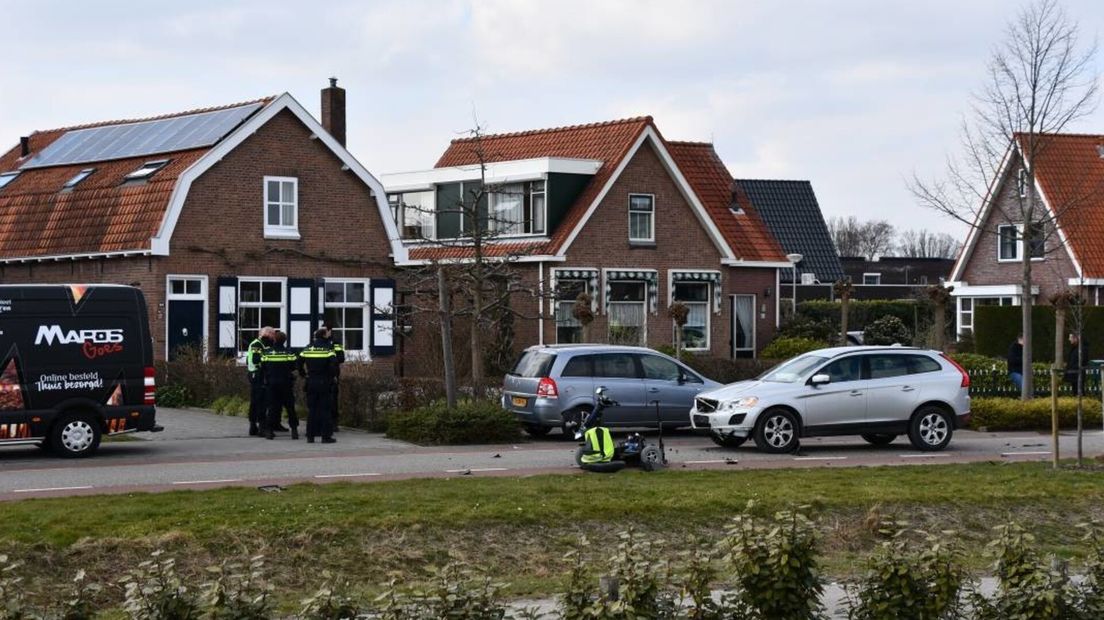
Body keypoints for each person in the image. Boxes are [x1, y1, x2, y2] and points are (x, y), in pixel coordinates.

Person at [298, 328, 340, 444]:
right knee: (325, 409)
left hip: (311, 381)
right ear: (324, 335)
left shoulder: (308, 348)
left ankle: (310, 436)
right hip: (324, 381)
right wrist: (332, 376)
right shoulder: (328, 348)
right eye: (327, 333)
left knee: (312, 409)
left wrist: (304, 375)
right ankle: (326, 436)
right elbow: (334, 363)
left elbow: (299, 362)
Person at [261, 331, 299, 440]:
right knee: (290, 408)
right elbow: (294, 367)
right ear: (285, 340)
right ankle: (294, 431)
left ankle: (269, 431)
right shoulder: (289, 353)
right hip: (286, 383)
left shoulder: (267, 353)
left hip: (272, 384)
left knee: (272, 408)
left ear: (274, 340)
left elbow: (263, 367)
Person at [246, 326, 275, 436]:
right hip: (257, 375)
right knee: (260, 402)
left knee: (256, 401)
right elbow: (255, 359)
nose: (274, 337)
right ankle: (260, 427)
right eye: (273, 334)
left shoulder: (259, 343)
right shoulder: (257, 344)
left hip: (256, 374)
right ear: (267, 334)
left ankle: (254, 426)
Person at [319, 325, 345, 431]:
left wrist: (331, 361)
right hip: (320, 374)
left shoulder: (335, 343)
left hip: (332, 374)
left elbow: (341, 358)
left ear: (330, 331)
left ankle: (334, 423)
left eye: (325, 330)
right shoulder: (317, 343)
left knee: (333, 399)